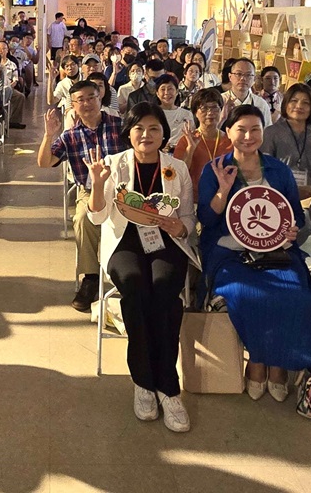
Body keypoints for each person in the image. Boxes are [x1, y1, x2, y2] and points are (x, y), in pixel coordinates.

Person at [197, 105, 311, 403]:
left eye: (255, 129)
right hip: (231, 254)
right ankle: (258, 360)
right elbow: (206, 219)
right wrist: (223, 190)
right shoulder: (215, 169)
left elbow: (295, 216)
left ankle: (278, 363)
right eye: (241, 130)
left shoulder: (278, 170)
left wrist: (291, 230)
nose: (248, 136)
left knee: (296, 295)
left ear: (263, 132)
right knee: (247, 294)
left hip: (276, 253)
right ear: (228, 132)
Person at [86, 103, 197, 432]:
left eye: (153, 128)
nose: (146, 135)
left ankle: (167, 387)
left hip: (166, 240)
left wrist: (181, 228)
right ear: (129, 133)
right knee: (135, 286)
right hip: (125, 242)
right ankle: (145, 383)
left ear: (164, 134)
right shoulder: (112, 164)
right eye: (139, 128)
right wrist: (97, 185)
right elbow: (97, 217)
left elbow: (188, 216)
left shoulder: (177, 167)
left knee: (164, 290)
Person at [38, 80, 128, 311]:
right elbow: (45, 162)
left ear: (100, 98)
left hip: (124, 189)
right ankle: (90, 277)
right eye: (80, 100)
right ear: (73, 105)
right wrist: (49, 135)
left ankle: (127, 269)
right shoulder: (70, 136)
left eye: (91, 97)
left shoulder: (120, 125)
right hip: (88, 191)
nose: (86, 103)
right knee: (82, 219)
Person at [259, 83, 311, 199]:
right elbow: (264, 169)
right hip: (280, 198)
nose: (299, 106)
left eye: (306, 103)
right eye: (294, 101)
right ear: (286, 103)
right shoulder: (271, 133)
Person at [173, 88, 233, 195]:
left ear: (221, 110)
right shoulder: (186, 140)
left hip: (225, 196)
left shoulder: (230, 140)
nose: (210, 113)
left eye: (214, 108)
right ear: (195, 112)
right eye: (204, 108)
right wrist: (190, 149)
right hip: (194, 198)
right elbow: (178, 175)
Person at [218, 58, 272, 125]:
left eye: (248, 75)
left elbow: (267, 130)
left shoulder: (261, 104)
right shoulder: (220, 101)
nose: (243, 78)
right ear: (230, 76)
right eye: (238, 74)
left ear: (254, 78)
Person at [153, 75, 193, 148]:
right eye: (163, 89)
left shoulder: (186, 114)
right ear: (157, 93)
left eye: (170, 89)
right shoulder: (153, 114)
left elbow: (191, 136)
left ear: (177, 92)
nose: (166, 93)